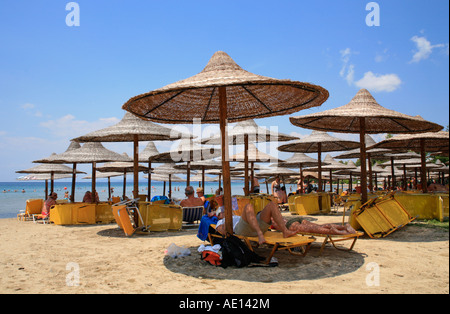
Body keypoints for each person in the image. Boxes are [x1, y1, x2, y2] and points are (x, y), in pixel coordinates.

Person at [215, 195, 296, 245]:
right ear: (218, 217)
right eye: (221, 213)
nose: (223, 212)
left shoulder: (235, 215)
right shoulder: (220, 221)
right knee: (248, 206)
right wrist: (226, 219)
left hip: (254, 224)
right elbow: (223, 231)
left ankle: (285, 231)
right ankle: (259, 233)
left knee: (272, 205)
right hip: (242, 230)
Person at [282, 217, 357, 235]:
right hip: (294, 219)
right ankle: (344, 227)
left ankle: (331, 231)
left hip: (288, 224)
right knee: (318, 226)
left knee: (311, 229)